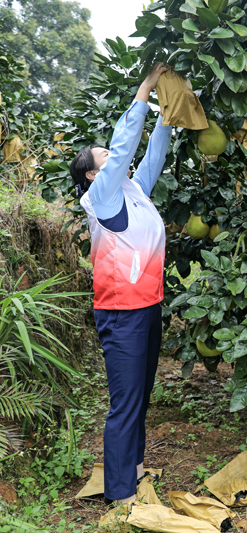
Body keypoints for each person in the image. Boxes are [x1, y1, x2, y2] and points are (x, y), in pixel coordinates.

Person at [69, 63, 172, 504]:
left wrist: (169, 113)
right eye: (104, 158)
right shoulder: (101, 196)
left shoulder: (133, 189)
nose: (113, 159)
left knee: (141, 396)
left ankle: (133, 467)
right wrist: (145, 89)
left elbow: (152, 157)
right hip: (122, 313)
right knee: (125, 403)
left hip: (148, 306)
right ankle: (120, 495)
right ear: (93, 174)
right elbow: (126, 144)